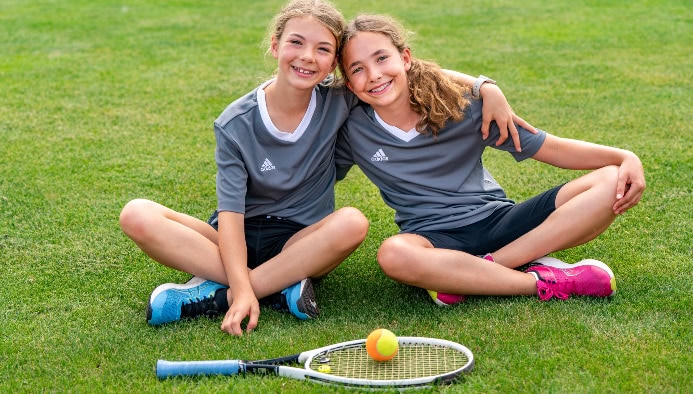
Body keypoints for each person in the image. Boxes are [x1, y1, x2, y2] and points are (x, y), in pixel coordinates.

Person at [119, 0, 535, 336]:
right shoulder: (234, 122)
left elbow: (410, 71)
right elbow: (230, 212)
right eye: (296, 43)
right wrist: (241, 278)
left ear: (334, 62)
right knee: (137, 214)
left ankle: (220, 294)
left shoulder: (341, 99)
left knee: (352, 221)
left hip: (304, 242)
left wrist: (485, 86)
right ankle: (271, 289)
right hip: (235, 236)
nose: (307, 57)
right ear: (275, 45)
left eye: (323, 50)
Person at [335, 14, 646, 304]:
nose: (374, 75)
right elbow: (303, 91)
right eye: (358, 69)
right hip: (433, 240)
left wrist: (623, 156)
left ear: (405, 58)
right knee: (393, 254)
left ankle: (483, 271)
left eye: (381, 58)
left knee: (609, 181)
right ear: (349, 83)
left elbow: (552, 148)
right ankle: (543, 281)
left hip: (498, 222)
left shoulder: (462, 106)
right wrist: (483, 82)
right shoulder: (352, 128)